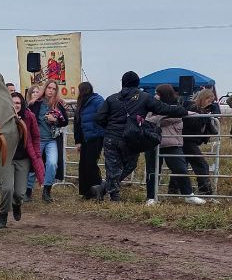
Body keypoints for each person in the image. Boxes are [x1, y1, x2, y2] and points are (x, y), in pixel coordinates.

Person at [94, 72, 186, 201]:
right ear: (137, 83)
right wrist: (183, 111)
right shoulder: (144, 97)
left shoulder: (111, 98)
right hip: (131, 138)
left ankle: (109, 193)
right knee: (130, 165)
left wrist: (110, 128)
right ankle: (108, 192)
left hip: (111, 137)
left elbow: (99, 118)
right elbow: (163, 108)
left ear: (122, 83)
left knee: (112, 167)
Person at [146, 85, 206, 205]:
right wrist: (160, 118)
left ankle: (188, 195)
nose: (156, 95)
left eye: (158, 93)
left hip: (171, 143)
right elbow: (147, 120)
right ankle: (151, 197)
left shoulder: (177, 106)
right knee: (152, 171)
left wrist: (158, 120)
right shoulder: (152, 107)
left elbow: (181, 116)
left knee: (180, 169)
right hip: (153, 143)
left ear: (165, 94)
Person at [0, 92, 43, 228]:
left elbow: (36, 136)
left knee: (19, 192)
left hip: (23, 159)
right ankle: (3, 215)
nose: (15, 105)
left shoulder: (29, 116)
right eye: (13, 102)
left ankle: (17, 205)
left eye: (18, 103)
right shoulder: (2, 117)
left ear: (22, 104)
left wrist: (36, 154)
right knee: (7, 188)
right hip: (7, 157)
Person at [26, 79, 68, 203]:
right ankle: (28, 191)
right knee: (34, 164)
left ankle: (47, 190)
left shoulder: (58, 104)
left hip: (52, 140)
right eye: (49, 88)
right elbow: (28, 119)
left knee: (52, 163)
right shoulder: (35, 103)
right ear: (45, 88)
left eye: (54, 89)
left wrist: (55, 120)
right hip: (37, 140)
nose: (51, 90)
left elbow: (65, 121)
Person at [183, 87, 220, 196]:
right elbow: (194, 124)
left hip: (189, 140)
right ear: (203, 98)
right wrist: (207, 117)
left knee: (181, 166)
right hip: (188, 140)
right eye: (209, 100)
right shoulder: (192, 108)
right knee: (202, 165)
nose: (210, 103)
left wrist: (210, 112)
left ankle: (175, 189)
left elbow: (213, 131)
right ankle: (205, 191)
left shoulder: (199, 109)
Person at [73, 82, 105, 199]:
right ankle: (86, 192)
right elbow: (77, 122)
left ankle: (98, 189)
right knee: (84, 165)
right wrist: (78, 141)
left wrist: (99, 131)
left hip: (96, 137)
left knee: (91, 164)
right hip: (86, 138)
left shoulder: (97, 101)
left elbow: (103, 117)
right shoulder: (82, 103)